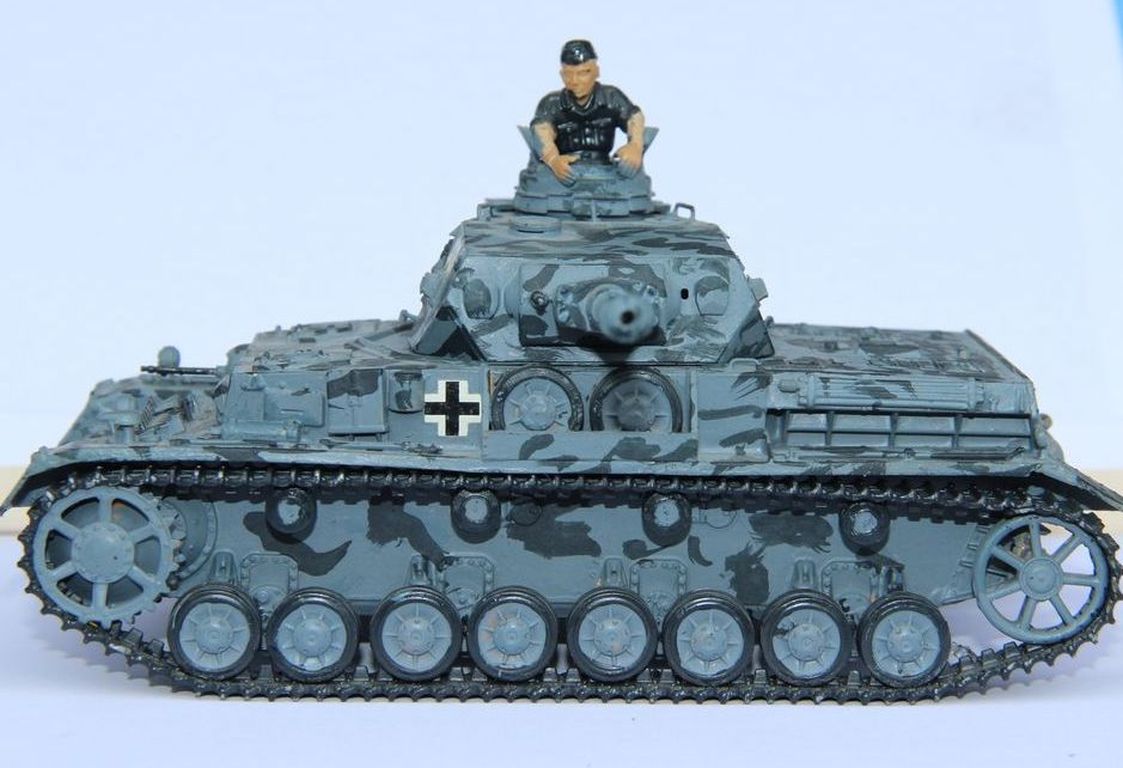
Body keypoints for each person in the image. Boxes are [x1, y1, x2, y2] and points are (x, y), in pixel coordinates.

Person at [532, 40, 646, 182]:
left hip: (605, 172)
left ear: (596, 72)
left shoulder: (612, 97)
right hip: (565, 173)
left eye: (583, 73)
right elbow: (541, 130)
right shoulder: (551, 103)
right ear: (561, 74)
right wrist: (553, 159)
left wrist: (635, 145)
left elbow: (634, 117)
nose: (575, 81)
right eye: (568, 74)